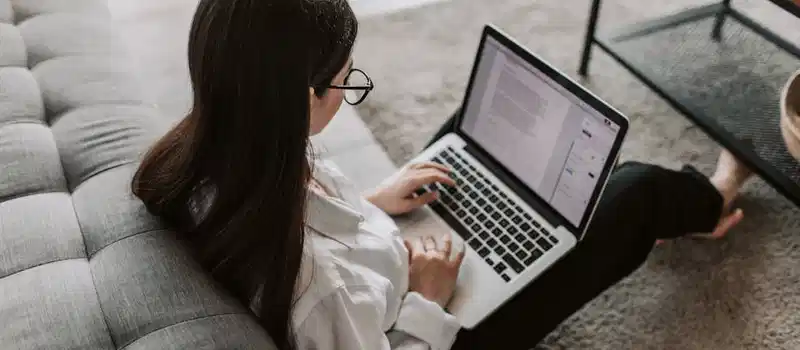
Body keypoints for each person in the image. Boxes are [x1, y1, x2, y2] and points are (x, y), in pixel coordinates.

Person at [130, 0, 754, 349]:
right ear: (298, 99)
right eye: (346, 82)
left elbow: (310, 221)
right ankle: (712, 202)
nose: (350, 88)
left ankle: (555, 199)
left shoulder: (219, 153)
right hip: (436, 328)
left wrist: (373, 202)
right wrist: (427, 300)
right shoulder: (318, 292)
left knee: (472, 136)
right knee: (634, 193)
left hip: (387, 258)